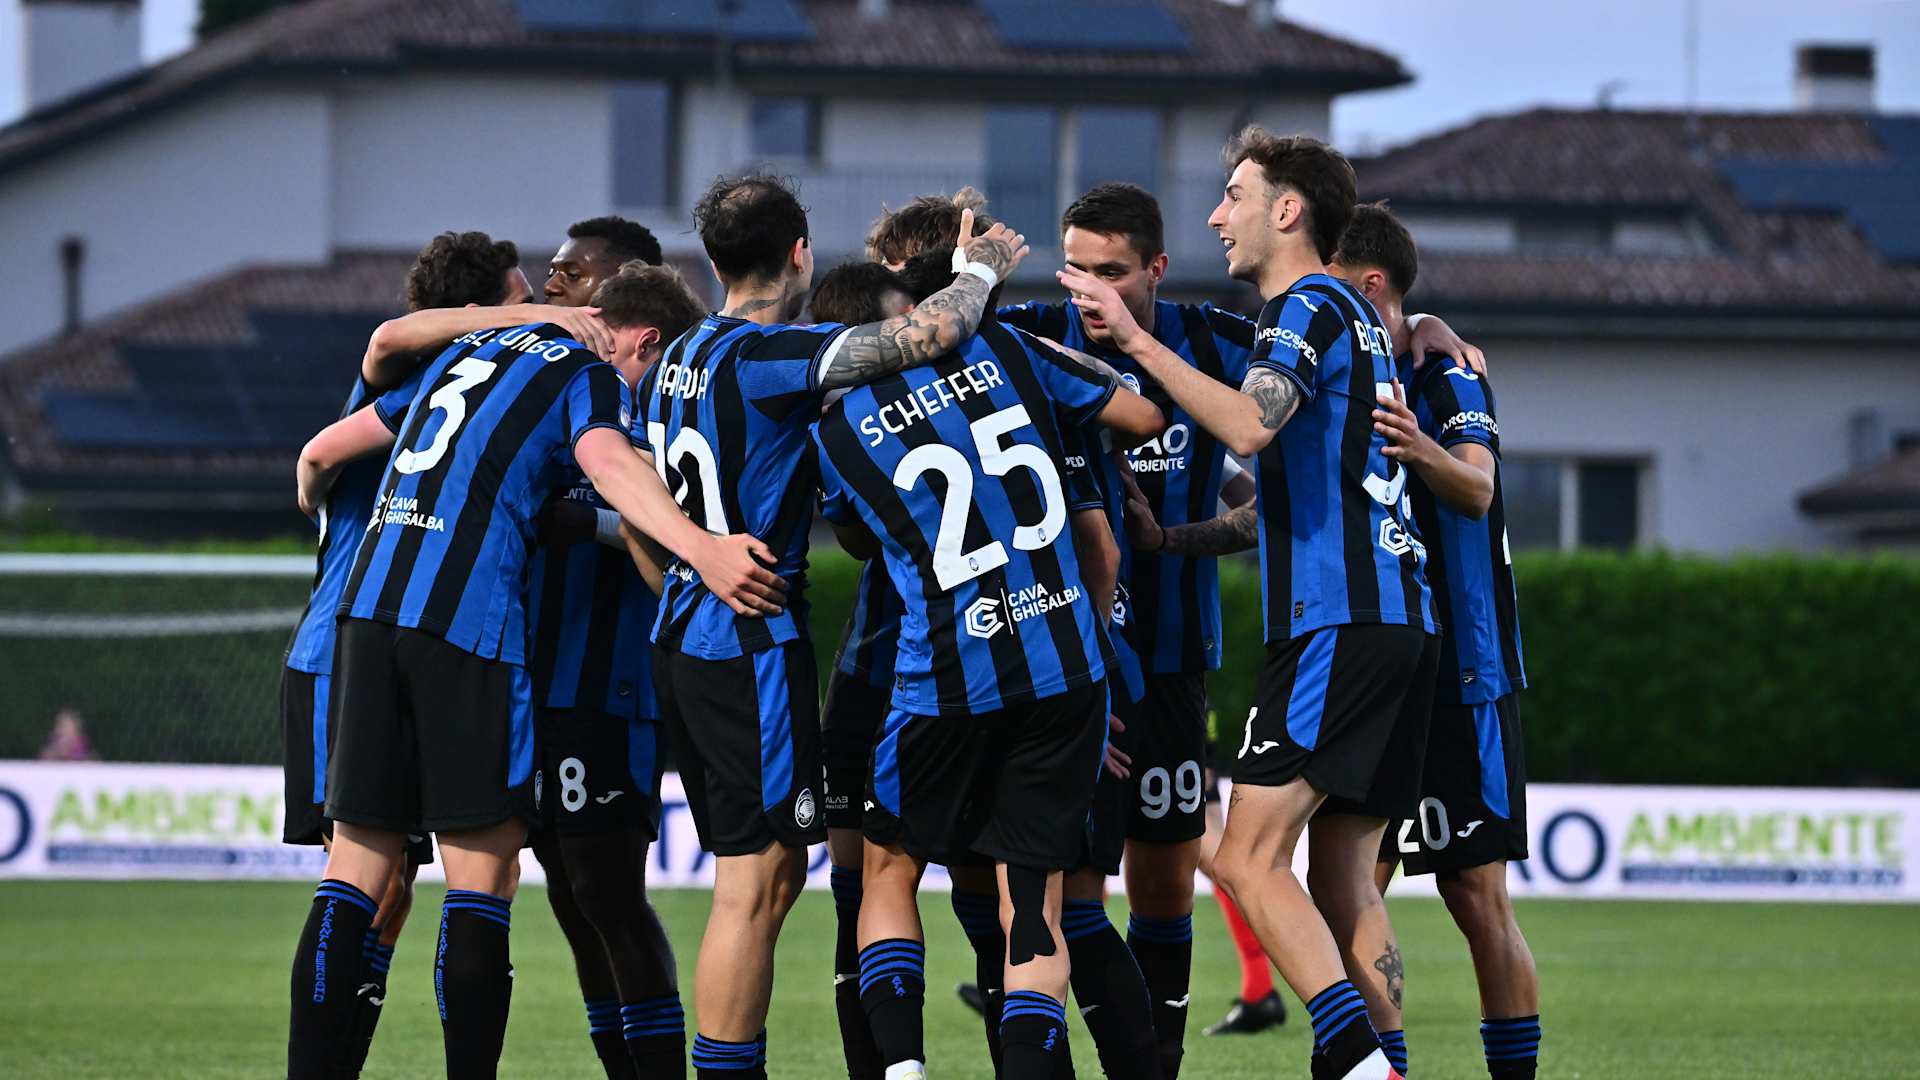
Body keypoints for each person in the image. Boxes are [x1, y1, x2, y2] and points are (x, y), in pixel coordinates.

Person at [285, 256, 760, 1079]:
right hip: (465, 626)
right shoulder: (589, 374)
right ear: (640, 343)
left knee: (355, 870)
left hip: (367, 612)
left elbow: (328, 449)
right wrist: (701, 547)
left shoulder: (470, 352)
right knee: (484, 873)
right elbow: (610, 462)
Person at [629, 173, 1029, 1080]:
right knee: (756, 884)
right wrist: (979, 269)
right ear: (800, 254)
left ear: (713, 262)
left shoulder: (677, 358)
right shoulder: (771, 355)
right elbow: (928, 334)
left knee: (760, 878)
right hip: (748, 644)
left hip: (683, 637)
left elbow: (643, 514)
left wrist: (688, 580)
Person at [1061, 127, 1439, 1080]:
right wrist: (1173, 540)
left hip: (1338, 619)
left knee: (1242, 859)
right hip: (1401, 617)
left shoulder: (1304, 305)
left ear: (1287, 209)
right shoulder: (1356, 317)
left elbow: (1247, 426)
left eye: (1234, 195)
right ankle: (1384, 1057)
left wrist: (1136, 340)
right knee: (1343, 877)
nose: (1216, 216)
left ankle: (1360, 1063)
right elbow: (1286, 499)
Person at [814, 248, 1165, 1080]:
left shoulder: (834, 429)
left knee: (887, 869)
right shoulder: (1006, 351)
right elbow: (1143, 419)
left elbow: (857, 538)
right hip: (1065, 669)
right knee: (1034, 905)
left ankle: (903, 1069)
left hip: (947, 676)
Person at [277, 229, 547, 1079]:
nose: (537, 308)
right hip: (349, 647)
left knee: (384, 892)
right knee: (374, 879)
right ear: (474, 311)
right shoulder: (411, 383)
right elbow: (321, 447)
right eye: (522, 297)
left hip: (369, 638)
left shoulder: (450, 391)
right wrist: (321, 502)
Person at [1331, 204, 1540, 1080]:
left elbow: (1477, 490)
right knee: (1350, 884)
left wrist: (1418, 445)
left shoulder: (1444, 376)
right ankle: (1382, 1068)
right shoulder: (1361, 365)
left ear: (1370, 282)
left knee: (1475, 893)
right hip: (1387, 663)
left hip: (1465, 670)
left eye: (1333, 285)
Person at [523, 257, 707, 1079]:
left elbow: (684, 539)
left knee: (606, 892)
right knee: (570, 898)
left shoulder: (669, 422)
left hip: (609, 689)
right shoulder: (566, 403)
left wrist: (591, 525)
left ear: (643, 337)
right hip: (533, 683)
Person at [806, 260, 917, 1080]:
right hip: (882, 674)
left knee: (876, 892)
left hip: (898, 673)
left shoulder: (835, 427)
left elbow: (852, 535)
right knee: (861, 894)